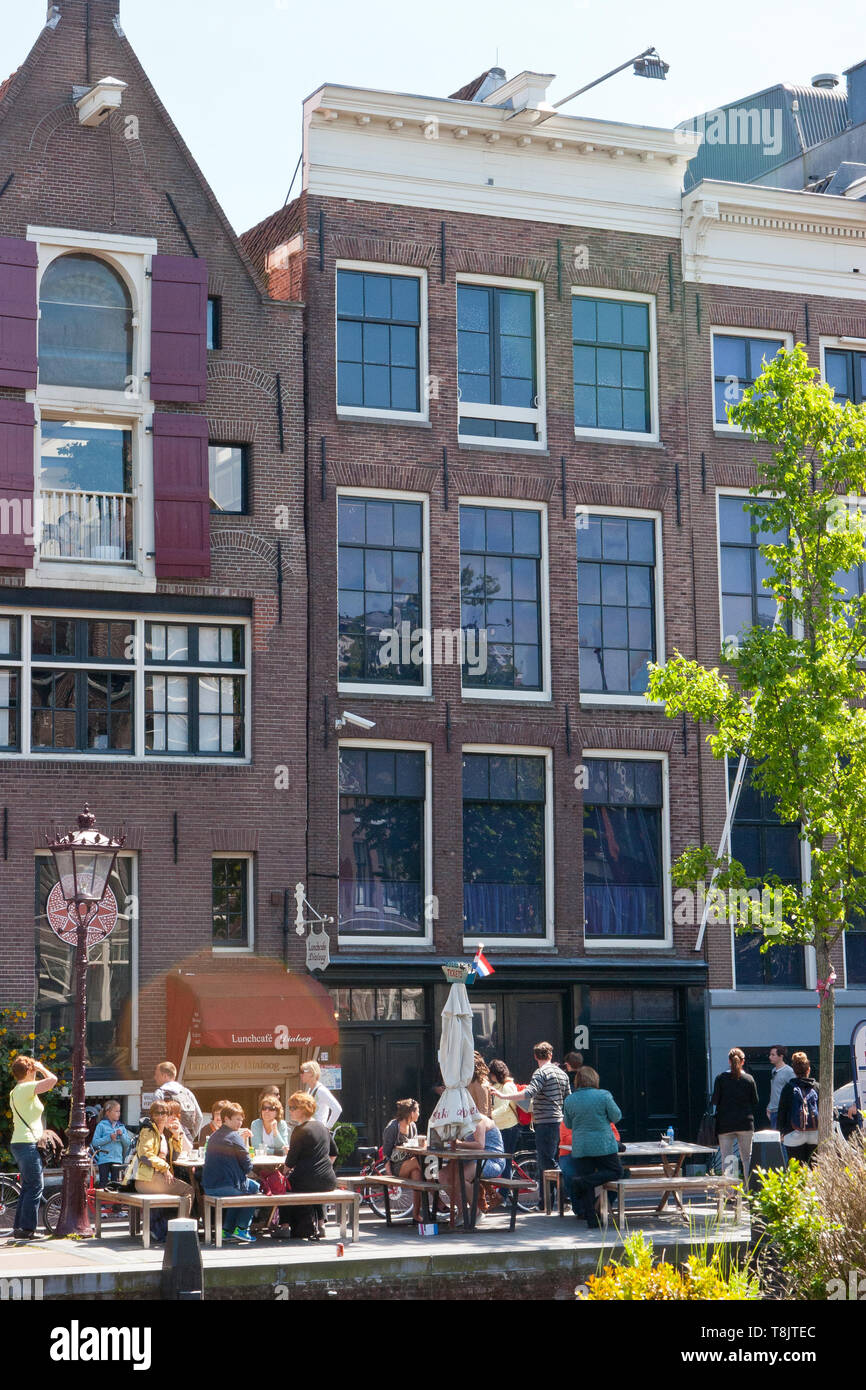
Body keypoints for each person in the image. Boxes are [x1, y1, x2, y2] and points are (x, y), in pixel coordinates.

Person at [493, 1041, 569, 1209]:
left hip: (545, 1121)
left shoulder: (540, 1073)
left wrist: (504, 1096)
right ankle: (544, 1202)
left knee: (547, 1162)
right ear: (550, 1055)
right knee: (547, 1161)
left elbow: (529, 1093)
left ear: (535, 1056)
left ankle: (568, 1194)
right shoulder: (562, 1074)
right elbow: (567, 1097)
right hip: (559, 1120)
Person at [562, 1067, 623, 1228]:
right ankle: (582, 1182)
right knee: (617, 1171)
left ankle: (591, 1220)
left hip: (581, 1146)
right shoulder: (604, 1095)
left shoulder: (570, 1100)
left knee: (586, 1179)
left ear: (577, 1081)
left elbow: (568, 1124)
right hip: (603, 1144)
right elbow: (616, 1116)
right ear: (594, 1079)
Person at [8, 1054, 57, 1240]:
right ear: (28, 1071)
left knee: (28, 1186)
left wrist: (33, 1070)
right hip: (27, 1143)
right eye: (33, 1070)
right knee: (36, 1186)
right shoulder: (27, 1088)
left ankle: (20, 1228)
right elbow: (53, 1081)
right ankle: (27, 1230)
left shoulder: (16, 1091)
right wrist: (41, 1067)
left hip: (20, 1142)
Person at [134, 1100, 194, 1243]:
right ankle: (180, 1232)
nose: (161, 1116)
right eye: (157, 1113)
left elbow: (176, 1155)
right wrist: (165, 1168)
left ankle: (164, 1229)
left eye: (165, 1113)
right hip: (146, 1179)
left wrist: (175, 1135)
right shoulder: (149, 1131)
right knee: (188, 1191)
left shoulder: (162, 1134)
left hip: (155, 1177)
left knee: (184, 1189)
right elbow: (145, 1155)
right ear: (152, 1115)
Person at [201, 1102, 261, 1244]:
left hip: (209, 1186)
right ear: (226, 1119)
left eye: (241, 1119)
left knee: (250, 1187)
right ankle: (241, 1228)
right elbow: (248, 1166)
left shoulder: (214, 1136)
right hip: (225, 1186)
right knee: (253, 1192)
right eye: (237, 1119)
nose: (240, 1123)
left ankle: (227, 1230)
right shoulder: (234, 1137)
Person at [281, 1091, 338, 1239]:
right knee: (315, 1185)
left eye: (293, 1107)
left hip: (305, 1181)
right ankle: (321, 1223)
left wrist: (283, 1173)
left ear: (304, 1109)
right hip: (328, 1181)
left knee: (284, 1187)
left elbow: (290, 1161)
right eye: (290, 1108)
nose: (290, 1111)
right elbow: (334, 1153)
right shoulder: (323, 1128)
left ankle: (285, 1226)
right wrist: (324, 1167)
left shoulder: (300, 1130)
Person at [443, 1112, 504, 1219]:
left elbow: (480, 1145)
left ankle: (475, 1211)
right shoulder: (462, 1121)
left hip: (492, 1160)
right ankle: (462, 1210)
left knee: (462, 1177)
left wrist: (457, 1143)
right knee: (443, 1175)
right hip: (472, 1159)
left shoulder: (478, 1120)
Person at [711, 1047, 759, 1180]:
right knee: (747, 1158)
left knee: (728, 1158)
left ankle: (730, 1193)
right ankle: (749, 1189)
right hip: (745, 1122)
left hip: (725, 1123)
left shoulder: (720, 1078)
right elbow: (755, 1101)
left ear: (729, 1061)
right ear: (743, 1061)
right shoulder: (749, 1079)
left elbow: (715, 1100)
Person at [382, 1098, 429, 1221]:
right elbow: (385, 1155)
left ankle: (416, 1214)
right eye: (417, 1111)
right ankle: (437, 1196)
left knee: (417, 1175)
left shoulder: (413, 1126)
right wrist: (390, 1177)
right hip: (396, 1166)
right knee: (420, 1164)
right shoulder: (393, 1127)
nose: (419, 1114)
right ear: (411, 1113)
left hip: (411, 1164)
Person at [777, 1051, 820, 1167]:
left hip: (793, 1132)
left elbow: (782, 1111)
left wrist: (780, 1131)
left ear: (794, 1071)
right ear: (808, 1069)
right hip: (815, 1132)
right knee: (814, 1167)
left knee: (796, 1169)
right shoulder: (817, 1087)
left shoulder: (788, 1088)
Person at [153, 1061, 203, 1147]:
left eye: (157, 1075)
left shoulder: (160, 1093)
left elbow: (157, 1118)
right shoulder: (186, 1092)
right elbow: (199, 1117)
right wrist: (190, 1137)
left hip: (167, 1140)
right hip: (186, 1141)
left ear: (164, 1076)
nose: (155, 1078)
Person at [488, 1059, 520, 1177]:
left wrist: (489, 1116)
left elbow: (504, 1107)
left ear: (495, 1074)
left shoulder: (508, 1086)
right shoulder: (498, 1086)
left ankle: (504, 1193)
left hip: (509, 1127)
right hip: (501, 1126)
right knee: (502, 1159)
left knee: (505, 1159)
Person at [90, 1100, 134, 1187]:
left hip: (117, 1160)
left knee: (115, 1184)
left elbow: (128, 1144)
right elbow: (95, 1142)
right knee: (103, 1183)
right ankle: (102, 1200)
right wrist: (109, 1138)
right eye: (116, 1111)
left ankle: (113, 1201)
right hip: (104, 1160)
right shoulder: (101, 1125)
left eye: (119, 1111)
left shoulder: (121, 1127)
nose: (119, 1113)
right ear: (108, 1112)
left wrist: (121, 1136)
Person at [299, 1061, 342, 1129]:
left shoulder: (321, 1090)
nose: (301, 1074)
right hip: (311, 1129)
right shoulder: (310, 1090)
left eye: (303, 1072)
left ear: (311, 1073)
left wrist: (327, 1128)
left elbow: (337, 1109)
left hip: (318, 1131)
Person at [767, 1046, 795, 1129]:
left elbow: (793, 1090)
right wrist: (769, 1107)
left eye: (773, 1055)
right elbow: (774, 1090)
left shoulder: (789, 1071)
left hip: (782, 1110)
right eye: (770, 1054)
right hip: (773, 1110)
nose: (770, 1057)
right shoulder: (773, 1071)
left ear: (781, 1056)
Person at [467, 1053, 492, 1119]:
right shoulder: (478, 1081)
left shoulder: (479, 1082)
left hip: (477, 1122)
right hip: (474, 1120)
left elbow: (483, 1109)